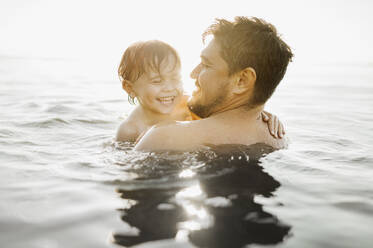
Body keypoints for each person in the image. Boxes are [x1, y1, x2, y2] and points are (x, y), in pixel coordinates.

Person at [135, 17, 293, 151]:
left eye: (206, 64)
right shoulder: (279, 139)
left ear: (242, 80)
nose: (193, 74)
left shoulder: (164, 138)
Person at [116, 40, 284, 142]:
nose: (169, 88)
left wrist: (265, 115)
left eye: (175, 78)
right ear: (129, 88)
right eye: (157, 81)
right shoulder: (129, 129)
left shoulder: (185, 104)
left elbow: (235, 114)